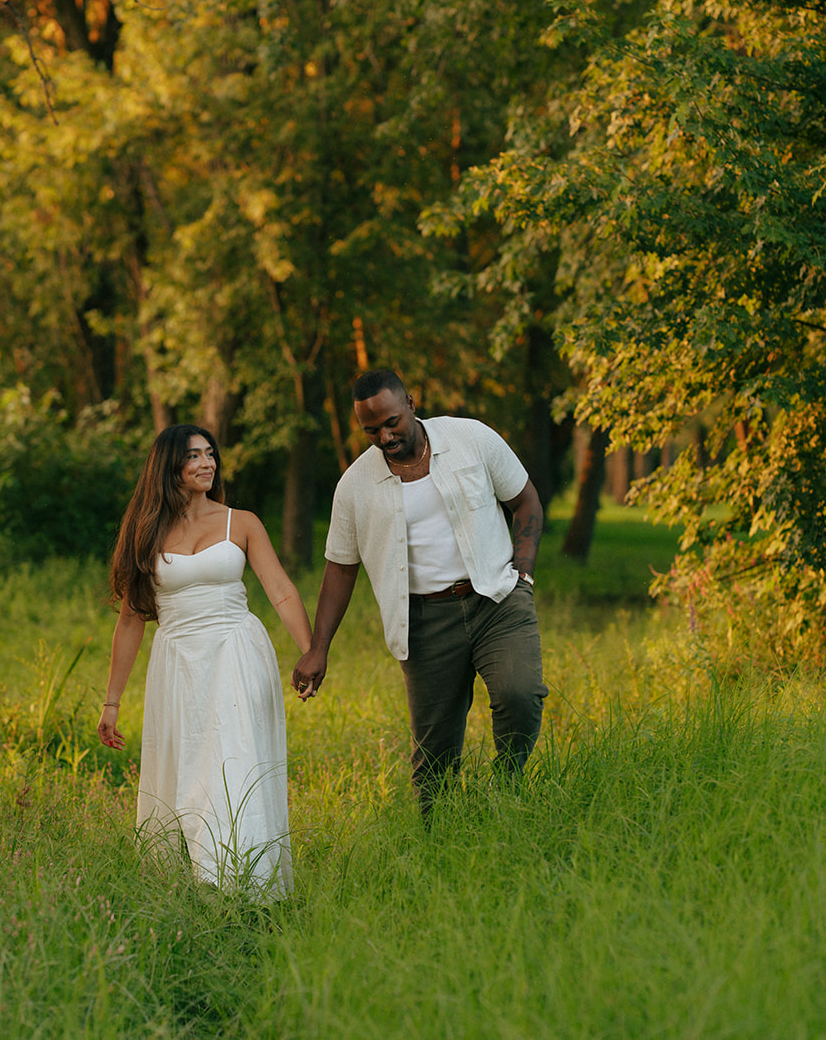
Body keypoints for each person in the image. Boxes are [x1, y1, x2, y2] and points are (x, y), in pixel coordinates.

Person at [292, 370, 547, 813]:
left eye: (392, 422)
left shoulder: (470, 438)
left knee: (520, 694)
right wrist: (319, 648)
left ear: (410, 402)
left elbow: (524, 501)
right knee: (434, 759)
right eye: (371, 430)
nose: (385, 436)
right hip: (425, 623)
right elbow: (340, 567)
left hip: (496, 602)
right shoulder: (354, 486)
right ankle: (439, 842)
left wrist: (522, 575)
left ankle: (508, 793)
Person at [99, 424, 313, 896]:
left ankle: (246, 888)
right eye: (193, 455)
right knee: (187, 768)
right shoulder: (147, 531)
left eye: (210, 454)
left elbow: (279, 591)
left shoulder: (243, 522)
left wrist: (310, 651)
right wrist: (111, 702)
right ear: (168, 466)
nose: (207, 463)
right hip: (176, 662)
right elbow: (132, 620)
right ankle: (194, 883)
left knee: (234, 761)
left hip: (235, 649)